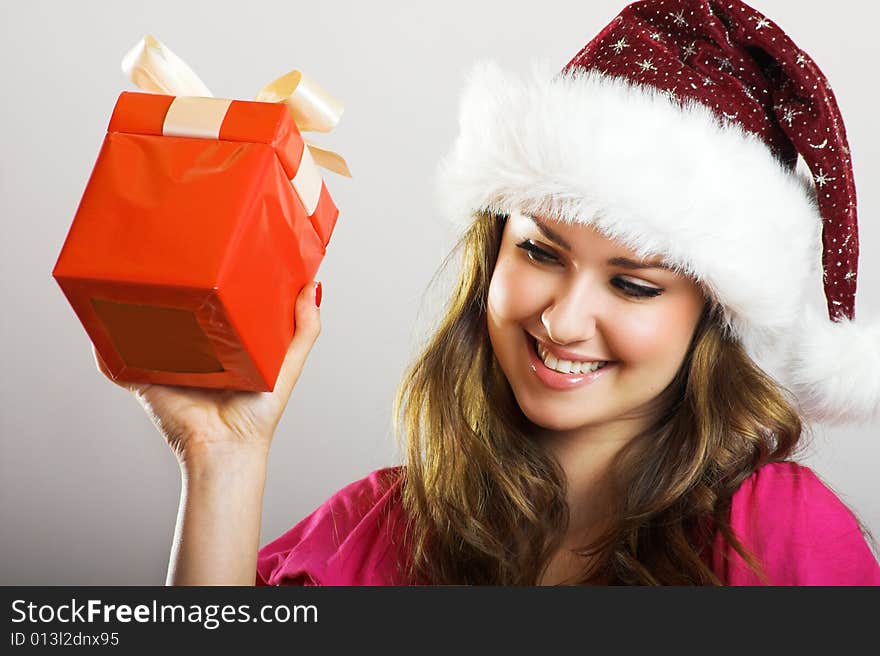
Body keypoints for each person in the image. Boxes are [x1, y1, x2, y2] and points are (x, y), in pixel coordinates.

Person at [96, 0, 880, 585]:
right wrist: (223, 461)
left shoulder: (772, 530)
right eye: (540, 250)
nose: (565, 319)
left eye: (635, 284)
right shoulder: (378, 524)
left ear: (713, 316)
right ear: (491, 253)